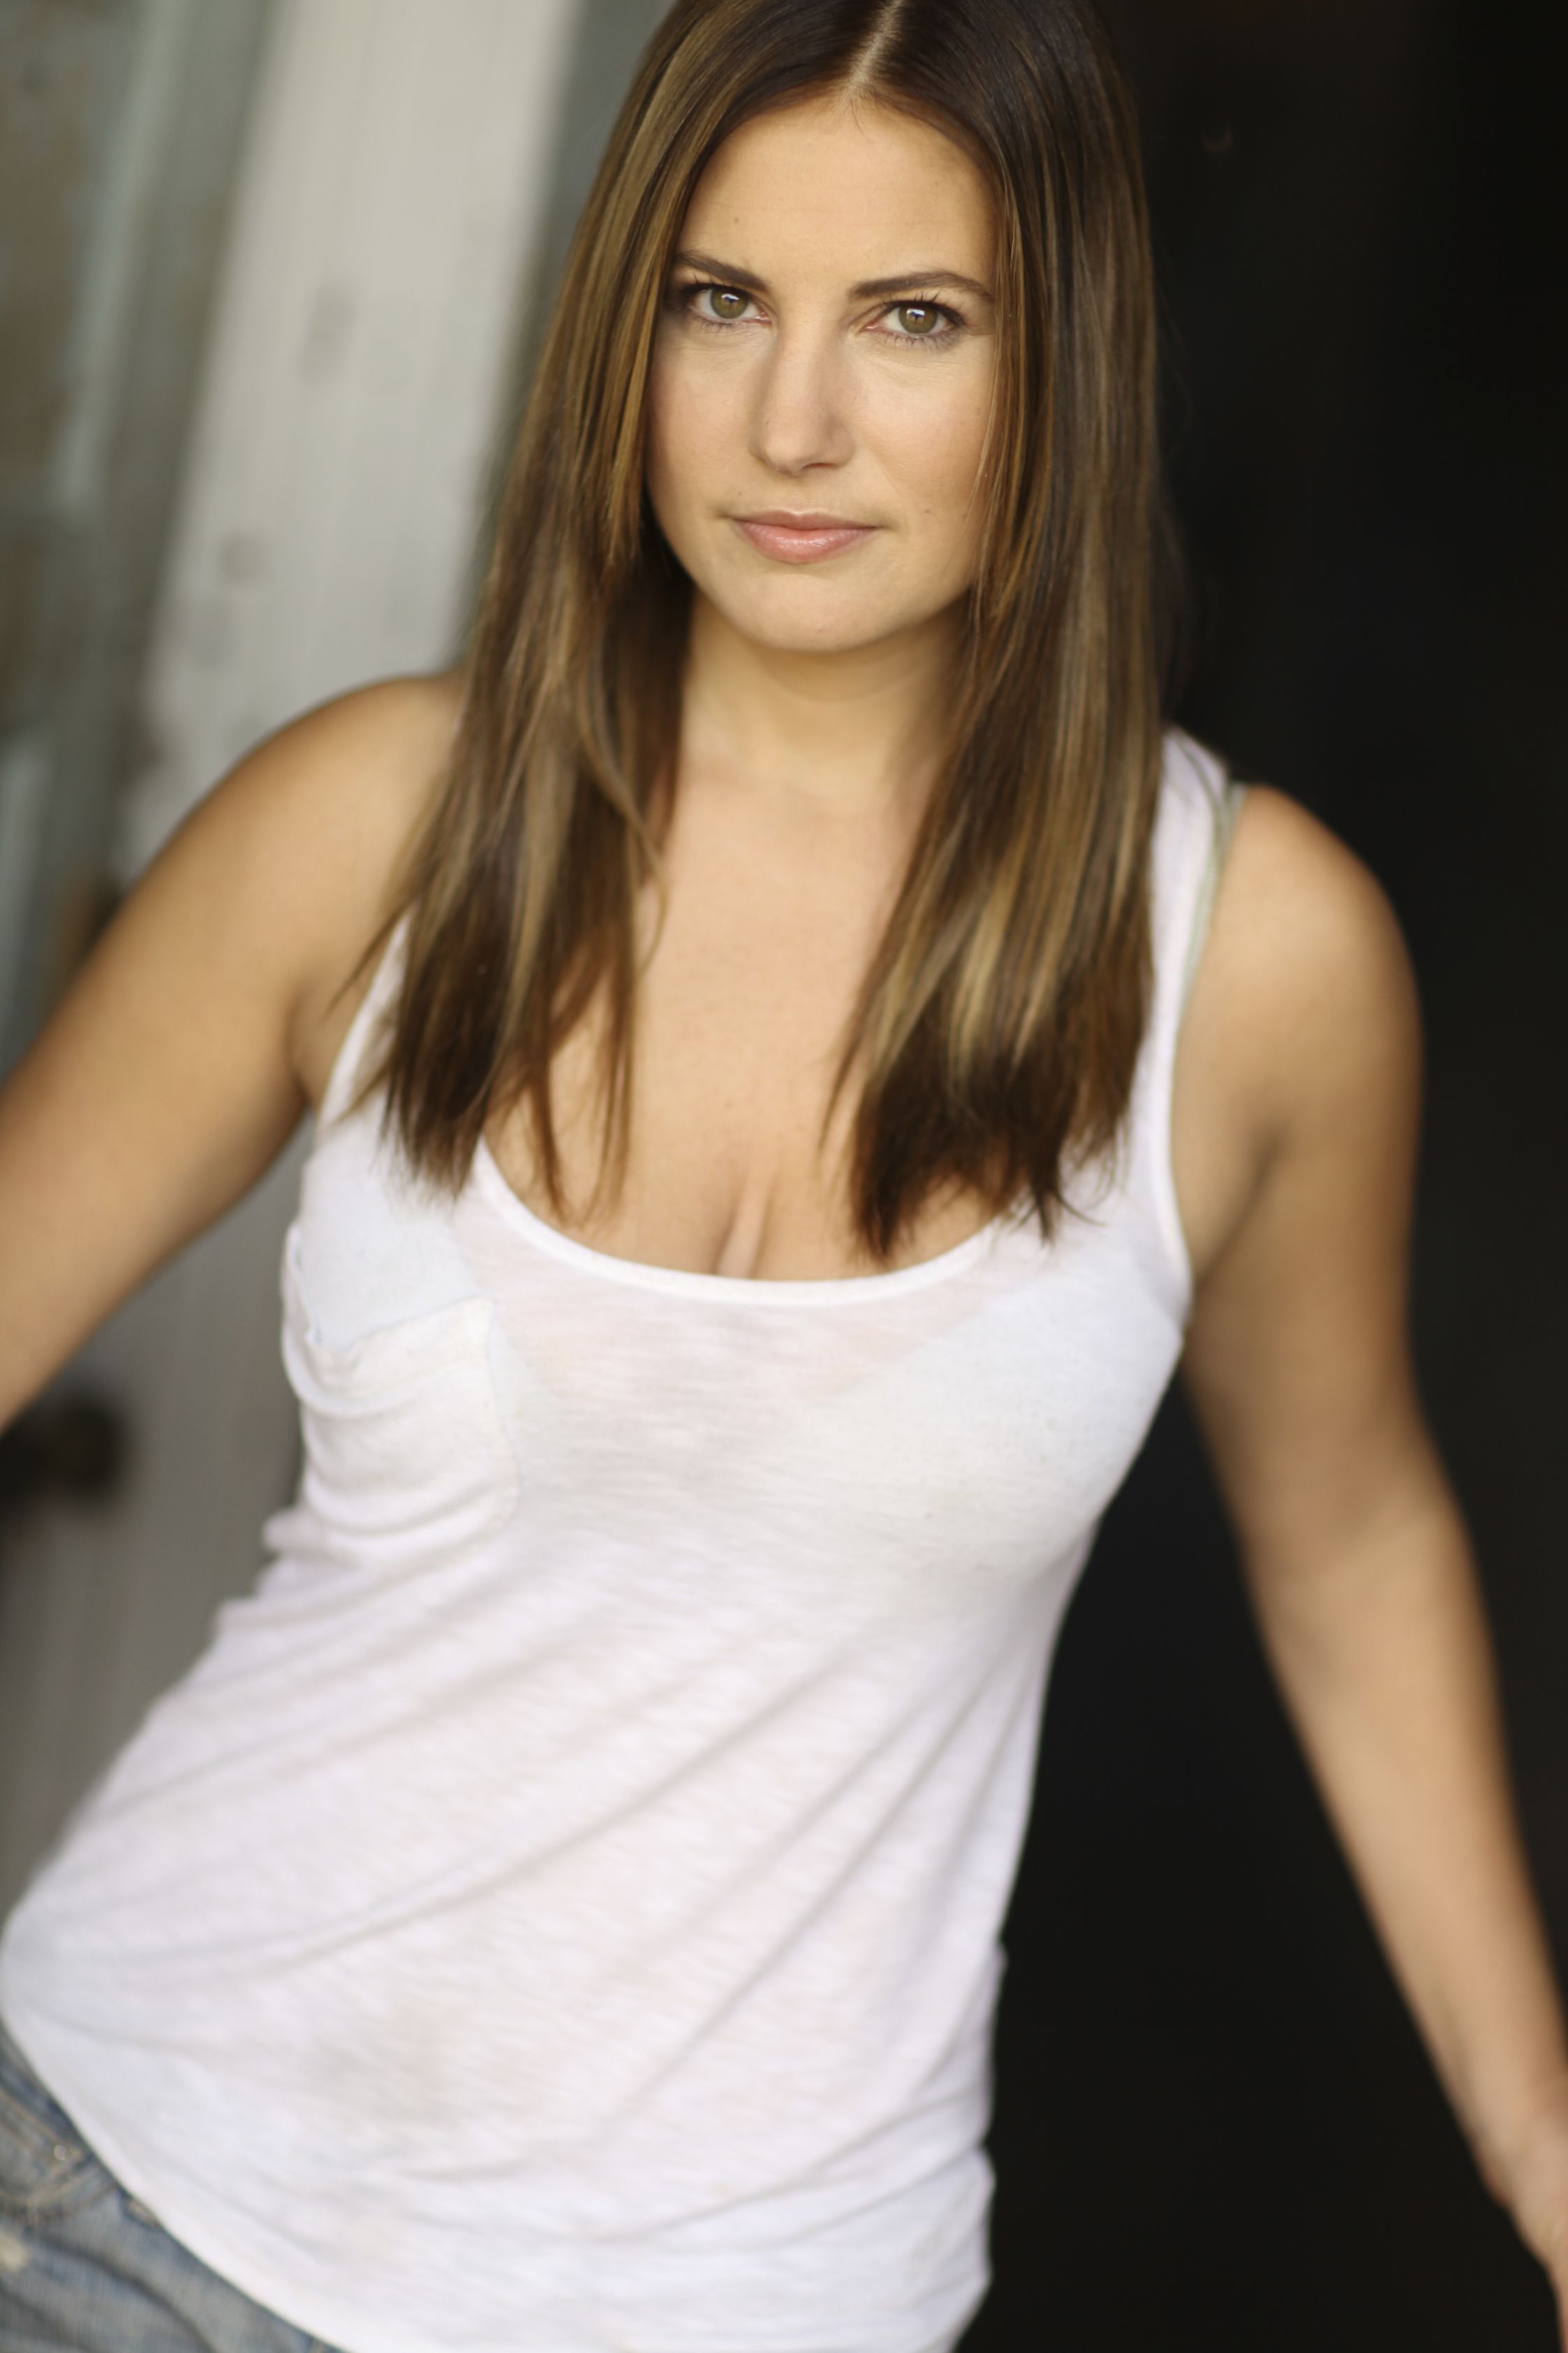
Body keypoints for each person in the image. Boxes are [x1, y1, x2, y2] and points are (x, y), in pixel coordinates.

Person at [0, 0, 1564, 2346]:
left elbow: (1350, 1537)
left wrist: (1545, 2140)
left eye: (912, 321)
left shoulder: (1254, 963)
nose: (792, 421)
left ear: (1065, 364)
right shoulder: (378, 826)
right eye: (718, 300)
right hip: (110, 2199)